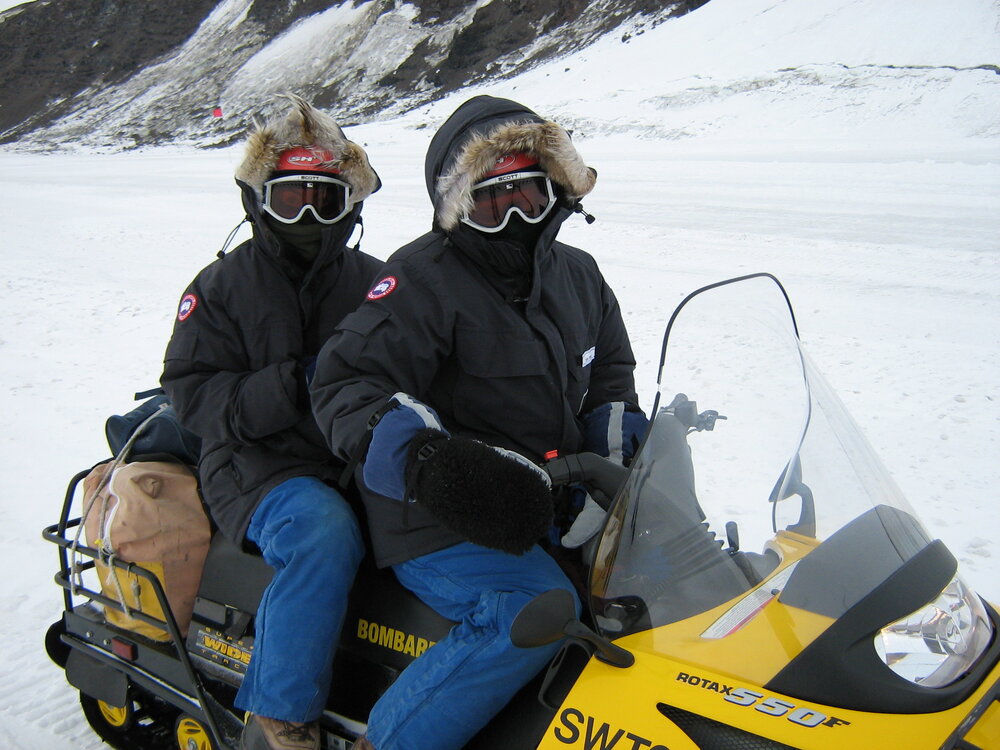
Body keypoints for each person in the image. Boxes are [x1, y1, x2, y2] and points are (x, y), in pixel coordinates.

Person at [310, 95, 647, 750]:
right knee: (529, 609)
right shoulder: (422, 280)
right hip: (439, 516)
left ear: (557, 186)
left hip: (548, 499)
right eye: (493, 201)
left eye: (530, 193)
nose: (517, 214)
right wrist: (432, 466)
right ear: (458, 207)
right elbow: (344, 382)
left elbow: (611, 377)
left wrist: (611, 472)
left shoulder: (580, 277)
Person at [161, 94, 382, 750]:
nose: (308, 215)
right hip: (254, 464)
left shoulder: (378, 281)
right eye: (291, 199)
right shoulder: (221, 286)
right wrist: (294, 384)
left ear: (350, 204)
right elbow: (192, 395)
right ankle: (282, 717)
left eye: (324, 199)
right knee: (321, 531)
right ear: (260, 200)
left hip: (354, 454)